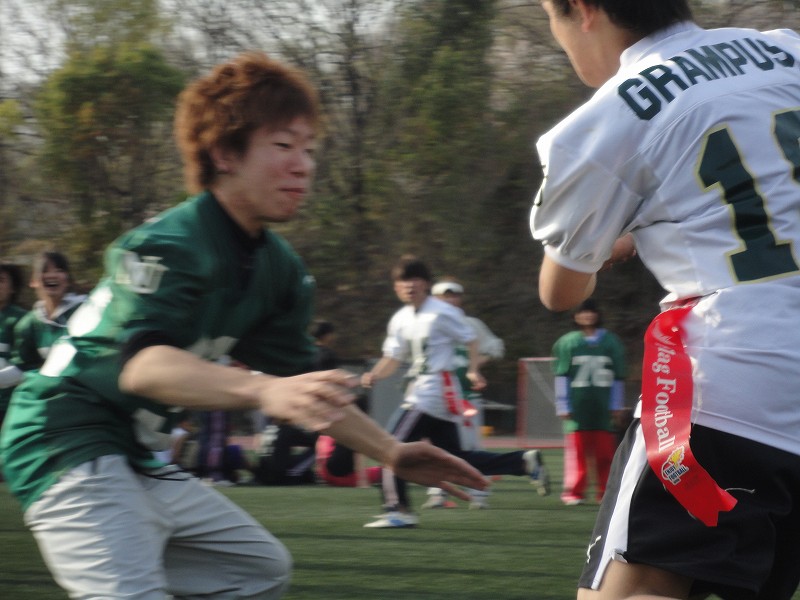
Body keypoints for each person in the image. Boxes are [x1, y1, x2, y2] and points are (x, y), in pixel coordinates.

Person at [0, 51, 487, 600]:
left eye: (309, 149)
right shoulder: (169, 243)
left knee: (255, 570)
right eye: (283, 145)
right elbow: (142, 367)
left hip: (131, 451)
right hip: (61, 436)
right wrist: (263, 389)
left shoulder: (280, 270)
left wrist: (391, 452)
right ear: (225, 153)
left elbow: (309, 392)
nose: (303, 165)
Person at [531, 2, 800, 598]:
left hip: (731, 386)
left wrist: (609, 242)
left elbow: (561, 290)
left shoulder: (604, 120)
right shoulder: (787, 49)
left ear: (583, 9)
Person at [361, 256, 548, 528]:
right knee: (456, 459)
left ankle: (397, 509)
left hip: (432, 391)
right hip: (431, 394)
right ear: (395, 287)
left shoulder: (441, 312)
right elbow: (392, 357)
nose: (409, 286)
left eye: (415, 280)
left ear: (426, 284)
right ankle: (522, 463)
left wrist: (472, 370)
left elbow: (471, 339)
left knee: (391, 448)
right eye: (403, 281)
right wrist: (375, 374)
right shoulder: (401, 318)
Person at [423, 277, 508, 509]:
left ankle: (479, 493)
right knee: (437, 449)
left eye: (454, 295)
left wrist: (475, 366)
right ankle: (438, 493)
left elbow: (495, 347)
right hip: (437, 398)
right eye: (445, 296)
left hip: (466, 398)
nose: (450, 300)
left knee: (471, 447)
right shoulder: (426, 323)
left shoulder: (471, 324)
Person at [551, 299, 627, 506]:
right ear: (575, 316)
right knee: (578, 454)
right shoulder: (568, 342)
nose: (587, 316)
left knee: (605, 454)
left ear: (598, 314)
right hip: (578, 406)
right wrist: (562, 404)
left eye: (591, 311)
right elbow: (562, 375)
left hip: (602, 406)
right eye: (583, 312)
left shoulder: (611, 342)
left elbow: (618, 377)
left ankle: (606, 492)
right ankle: (574, 492)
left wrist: (616, 404)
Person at [11, 251, 84, 372]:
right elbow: (23, 368)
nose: (52, 275)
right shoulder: (29, 324)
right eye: (44, 271)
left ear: (68, 280)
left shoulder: (85, 311)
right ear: (33, 281)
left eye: (59, 270)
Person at [0, 263, 27, 430]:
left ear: (12, 288)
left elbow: (25, 367)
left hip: (9, 408)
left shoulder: (22, 320)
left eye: (1, 280)